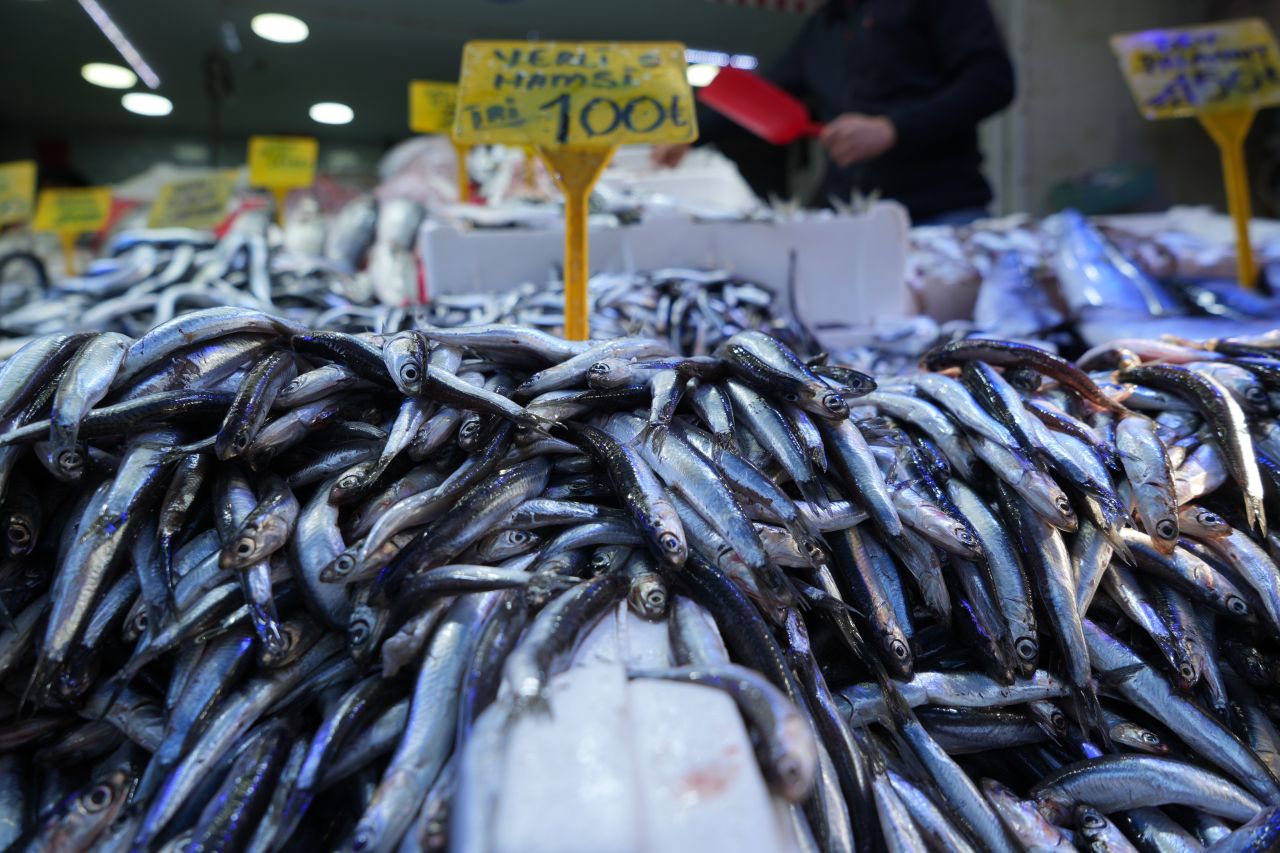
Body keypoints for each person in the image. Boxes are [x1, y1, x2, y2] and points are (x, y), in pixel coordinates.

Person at [653, 0, 1015, 226]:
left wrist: (894, 129)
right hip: (849, 219)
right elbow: (766, 98)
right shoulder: (824, 26)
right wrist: (692, 130)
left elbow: (992, 81)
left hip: (940, 214)